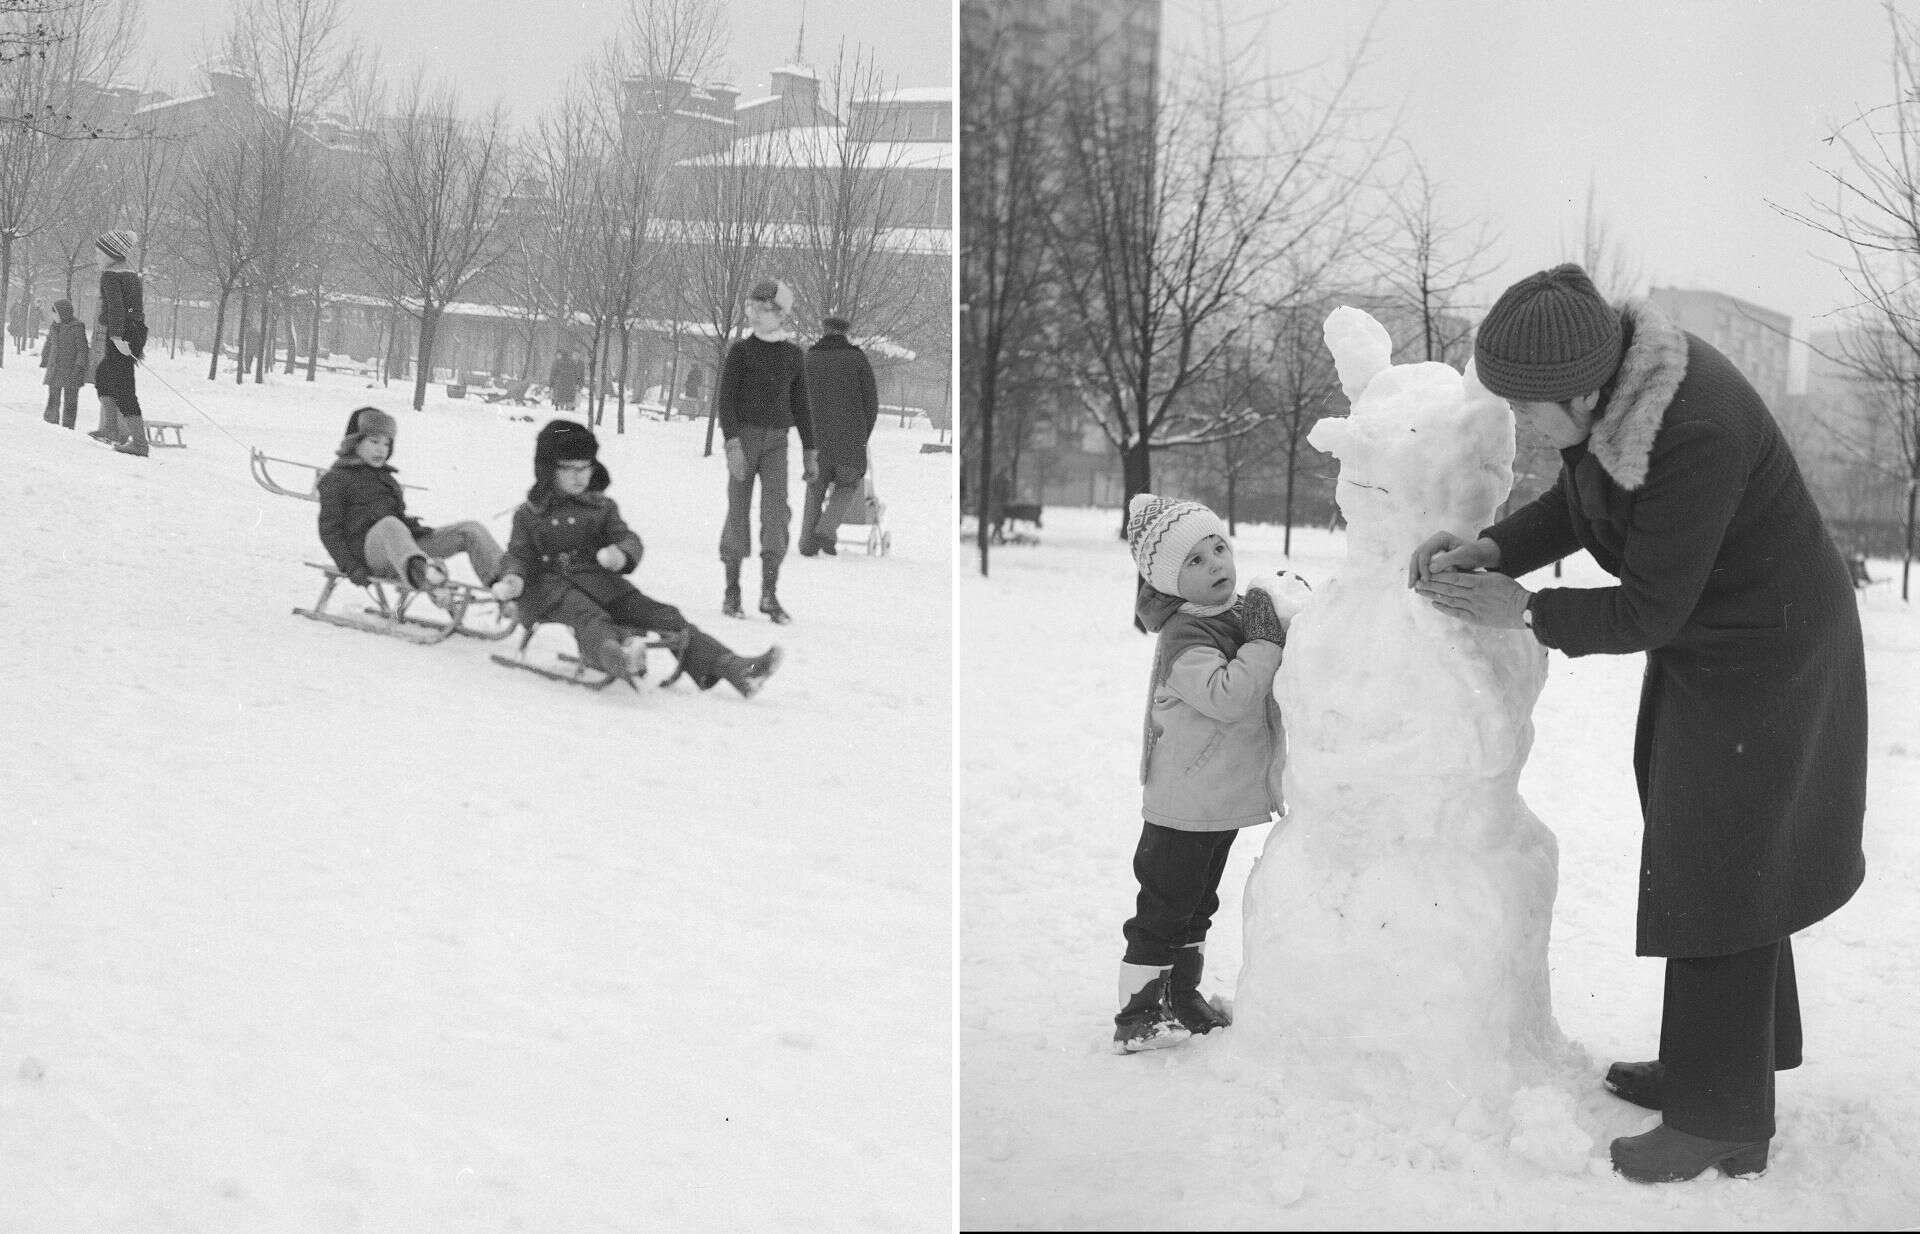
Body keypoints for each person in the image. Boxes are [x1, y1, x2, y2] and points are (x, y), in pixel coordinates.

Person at [1407, 263, 1867, 1184]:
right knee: (1711, 842)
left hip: (1766, 655)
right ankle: (1723, 1059)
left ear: (1582, 388)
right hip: (1721, 639)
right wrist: (1493, 548)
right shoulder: (1617, 388)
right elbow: (1585, 506)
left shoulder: (1691, 424)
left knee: (1719, 858)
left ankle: (1723, 1119)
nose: (1530, 430)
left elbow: (1649, 609)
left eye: (1532, 411)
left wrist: (1526, 610)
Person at [1113, 493, 1308, 1054]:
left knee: (1198, 905)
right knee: (1163, 908)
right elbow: (1229, 695)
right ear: (1170, 583)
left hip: (1213, 800)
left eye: (1217, 547)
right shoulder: (1186, 638)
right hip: (1184, 804)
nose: (1216, 564)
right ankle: (1138, 1013)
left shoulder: (1231, 615)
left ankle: (1182, 995)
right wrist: (1266, 643)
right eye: (1194, 562)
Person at [489, 419, 782, 695]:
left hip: (600, 583)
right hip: (549, 589)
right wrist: (513, 577)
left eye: (585, 467)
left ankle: (735, 669)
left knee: (665, 615)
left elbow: (628, 538)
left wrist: (621, 554)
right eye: (569, 468)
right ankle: (619, 659)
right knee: (591, 617)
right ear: (549, 470)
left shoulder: (600, 507)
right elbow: (518, 553)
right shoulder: (530, 514)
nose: (580, 476)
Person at [315, 406, 507, 602]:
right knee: (389, 524)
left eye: (387, 444)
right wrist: (351, 567)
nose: (381, 449)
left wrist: (417, 531)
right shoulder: (336, 479)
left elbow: (399, 523)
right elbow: (330, 531)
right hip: (370, 556)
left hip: (404, 551)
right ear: (354, 442)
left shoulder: (386, 479)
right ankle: (427, 577)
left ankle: (508, 584)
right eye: (374, 442)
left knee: (470, 529)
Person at [716, 278, 814, 623]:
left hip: (776, 443)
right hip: (743, 439)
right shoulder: (741, 352)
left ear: (782, 314)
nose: (757, 315)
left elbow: (801, 404)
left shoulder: (792, 356)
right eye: (753, 308)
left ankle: (769, 594)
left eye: (765, 309)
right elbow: (725, 400)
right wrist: (731, 442)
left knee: (776, 515)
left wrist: (810, 450)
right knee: (737, 510)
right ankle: (732, 591)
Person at [797, 313, 879, 557]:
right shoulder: (858, 360)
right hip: (850, 440)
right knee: (847, 485)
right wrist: (863, 433)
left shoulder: (810, 358)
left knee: (815, 488)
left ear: (824, 330)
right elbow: (871, 403)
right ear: (845, 332)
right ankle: (825, 530)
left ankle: (806, 543)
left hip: (816, 439)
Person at [39, 299, 89, 430]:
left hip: (72, 370)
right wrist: (45, 357)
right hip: (56, 369)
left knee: (70, 401)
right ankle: (50, 422)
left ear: (63, 313)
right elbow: (49, 343)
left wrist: (79, 367)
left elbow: (82, 350)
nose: (53, 316)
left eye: (55, 313)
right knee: (53, 397)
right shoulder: (54, 326)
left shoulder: (77, 328)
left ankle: (68, 427)